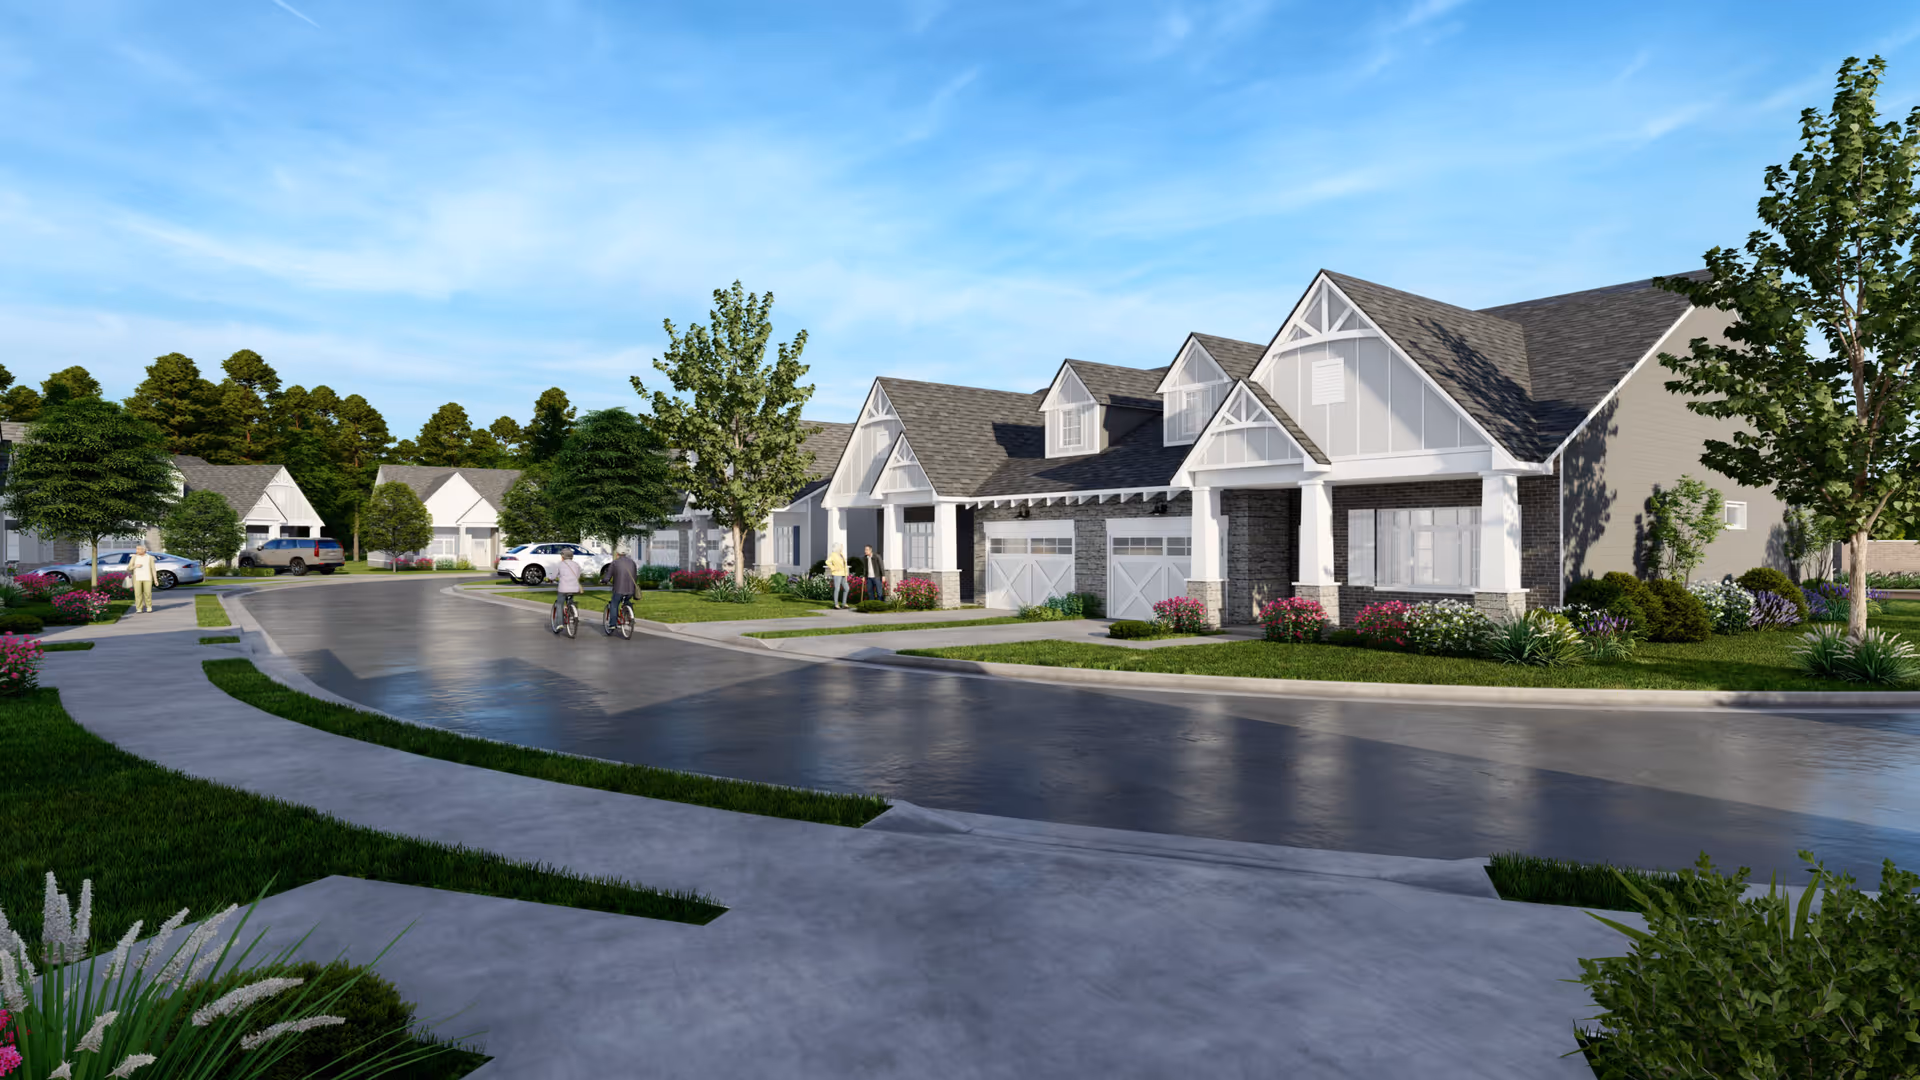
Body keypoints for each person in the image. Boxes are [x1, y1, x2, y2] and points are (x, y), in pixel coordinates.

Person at [602, 548, 638, 632]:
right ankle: (630, 617)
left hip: (619, 589)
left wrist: (603, 581)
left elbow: (608, 577)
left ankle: (612, 624)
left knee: (614, 604)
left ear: (617, 554)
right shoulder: (632, 562)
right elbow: (635, 576)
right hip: (631, 590)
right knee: (627, 601)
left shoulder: (615, 563)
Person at [553, 547, 585, 628]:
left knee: (559, 604)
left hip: (563, 589)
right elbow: (578, 576)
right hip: (574, 588)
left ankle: (560, 624)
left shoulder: (560, 564)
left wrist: (549, 579)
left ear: (563, 556)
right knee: (570, 600)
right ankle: (573, 613)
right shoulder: (576, 565)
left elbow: (553, 576)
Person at [128, 544, 158, 613]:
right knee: (138, 594)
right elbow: (129, 568)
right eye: (137, 549)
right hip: (137, 578)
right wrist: (135, 566)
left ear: (143, 550)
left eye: (138, 549)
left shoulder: (150, 557)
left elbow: (153, 569)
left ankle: (149, 607)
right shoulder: (134, 557)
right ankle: (139, 608)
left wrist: (155, 579)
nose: (137, 550)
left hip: (147, 578)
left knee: (148, 593)